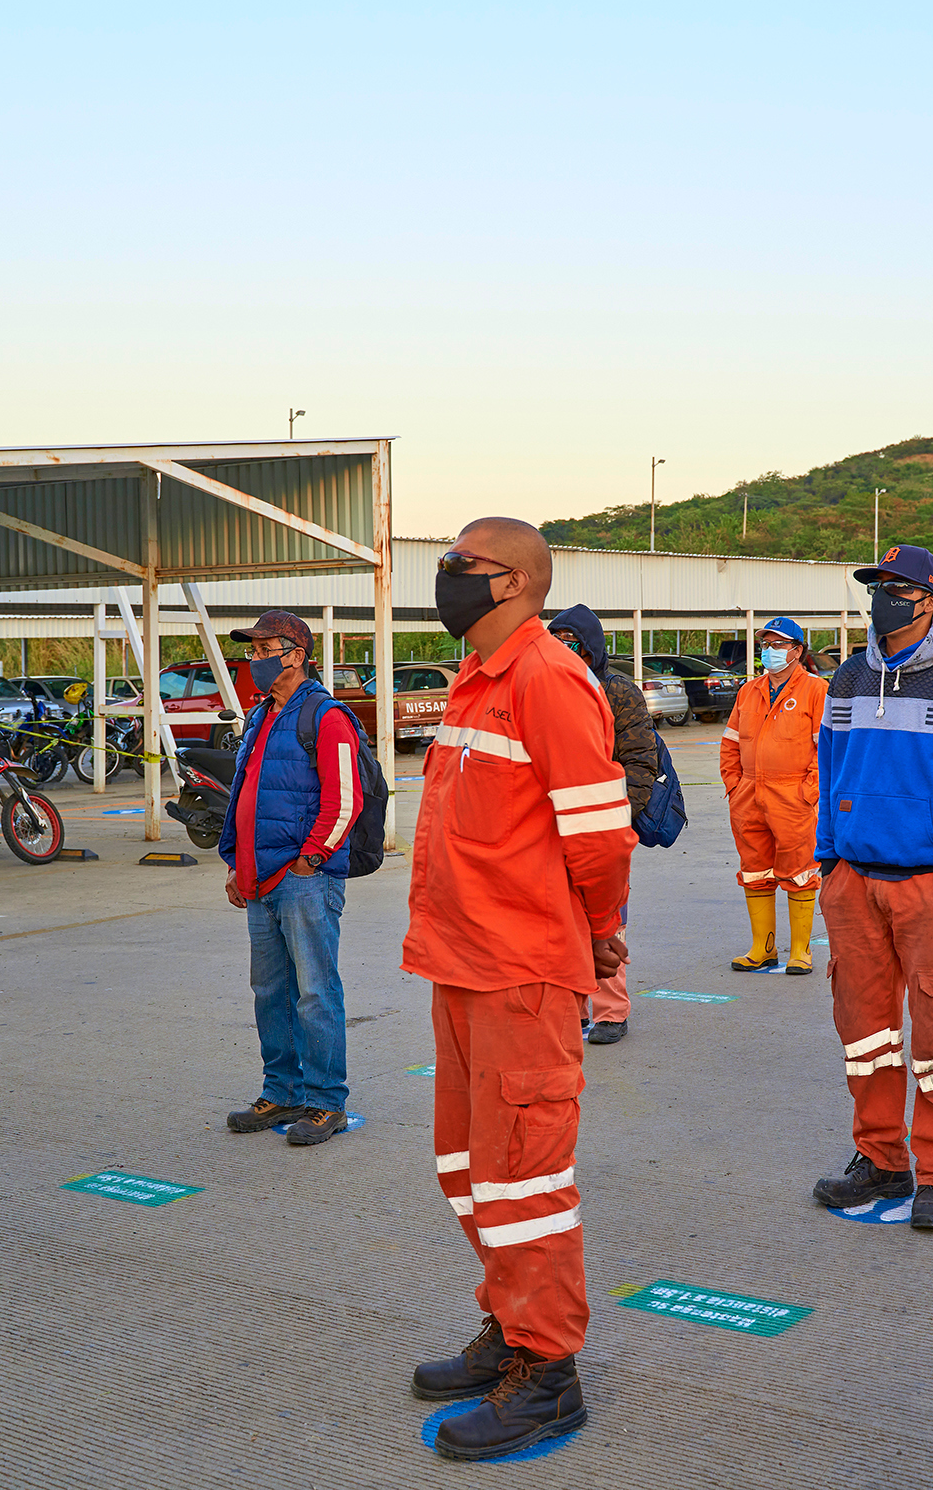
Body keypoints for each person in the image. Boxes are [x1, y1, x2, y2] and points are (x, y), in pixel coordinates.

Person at [403, 519, 634, 1461]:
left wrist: (601, 933)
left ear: (515, 584)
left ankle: (548, 1373)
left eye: (462, 564)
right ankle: (509, 1317)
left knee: (525, 1176)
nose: (446, 577)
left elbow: (599, 836)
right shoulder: (474, 677)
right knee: (468, 1165)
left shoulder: (547, 678)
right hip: (459, 963)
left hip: (522, 973)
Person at [810, 545, 933, 1232]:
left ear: (929, 598)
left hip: (927, 885)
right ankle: (881, 1157)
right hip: (853, 881)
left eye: (894, 586)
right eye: (875, 585)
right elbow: (830, 771)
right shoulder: (850, 676)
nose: (881, 595)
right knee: (866, 1034)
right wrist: (828, 858)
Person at [218, 610, 365, 1146]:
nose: (253, 660)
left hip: (304, 879)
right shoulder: (260, 716)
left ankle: (326, 1102)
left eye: (262, 650)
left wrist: (311, 860)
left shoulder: (326, 717)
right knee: (270, 992)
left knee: (315, 992)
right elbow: (243, 794)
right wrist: (235, 861)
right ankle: (281, 1091)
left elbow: (345, 799)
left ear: (295, 656)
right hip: (258, 879)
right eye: (251, 651)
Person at [548, 604, 660, 1041]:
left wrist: (617, 817)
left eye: (571, 642)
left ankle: (611, 1011)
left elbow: (640, 760)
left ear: (590, 647)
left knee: (608, 916)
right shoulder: (547, 687)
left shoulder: (617, 691)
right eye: (555, 641)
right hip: (556, 824)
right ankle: (573, 1008)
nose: (562, 650)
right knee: (562, 918)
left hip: (605, 823)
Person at [721, 618, 828, 974]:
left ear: (797, 651)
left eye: (779, 645)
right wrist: (735, 785)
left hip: (792, 794)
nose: (770, 651)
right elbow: (730, 743)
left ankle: (801, 950)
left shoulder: (816, 690)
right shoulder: (748, 691)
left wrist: (808, 790)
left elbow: (825, 749)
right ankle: (762, 948)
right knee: (754, 870)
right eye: (766, 644)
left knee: (800, 870)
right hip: (749, 793)